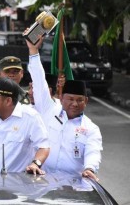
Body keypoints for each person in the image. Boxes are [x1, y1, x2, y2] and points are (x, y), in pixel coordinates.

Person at [26, 35, 102, 181]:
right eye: (70, 99)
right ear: (61, 98)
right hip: (40, 180)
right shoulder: (48, 109)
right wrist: (33, 49)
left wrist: (89, 168)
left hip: (71, 186)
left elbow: (93, 151)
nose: (75, 103)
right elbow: (39, 79)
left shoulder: (91, 128)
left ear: (86, 101)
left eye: (79, 100)